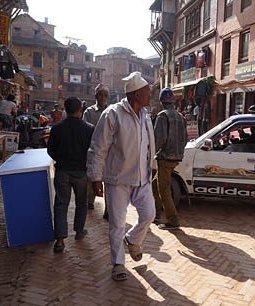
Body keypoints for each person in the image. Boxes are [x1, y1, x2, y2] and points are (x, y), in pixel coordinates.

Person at [86, 71, 155, 281]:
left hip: (142, 178)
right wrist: (95, 177)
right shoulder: (113, 114)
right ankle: (118, 263)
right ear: (136, 94)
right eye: (146, 91)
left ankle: (133, 240)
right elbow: (98, 147)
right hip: (117, 180)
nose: (149, 94)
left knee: (149, 214)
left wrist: (151, 166)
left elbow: (148, 146)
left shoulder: (146, 116)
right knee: (116, 224)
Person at [47, 97, 94, 253]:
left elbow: (50, 150)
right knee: (81, 203)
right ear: (80, 109)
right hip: (81, 173)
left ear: (65, 110)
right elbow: (92, 152)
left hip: (62, 172)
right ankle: (79, 232)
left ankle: (60, 240)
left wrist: (61, 159)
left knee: (61, 204)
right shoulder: (89, 128)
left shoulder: (57, 128)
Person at [152, 88, 187, 230]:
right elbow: (185, 138)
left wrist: (149, 154)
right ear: (172, 101)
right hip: (176, 157)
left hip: (165, 158)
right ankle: (155, 214)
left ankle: (172, 220)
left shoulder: (162, 116)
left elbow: (159, 139)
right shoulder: (180, 117)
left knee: (164, 189)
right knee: (155, 184)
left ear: (161, 102)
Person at [83, 83, 109, 215]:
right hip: (94, 150)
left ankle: (108, 209)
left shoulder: (111, 111)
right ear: (95, 96)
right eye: (100, 95)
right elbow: (85, 131)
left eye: (105, 95)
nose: (103, 97)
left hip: (109, 152)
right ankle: (89, 202)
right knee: (92, 177)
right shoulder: (89, 112)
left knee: (109, 180)